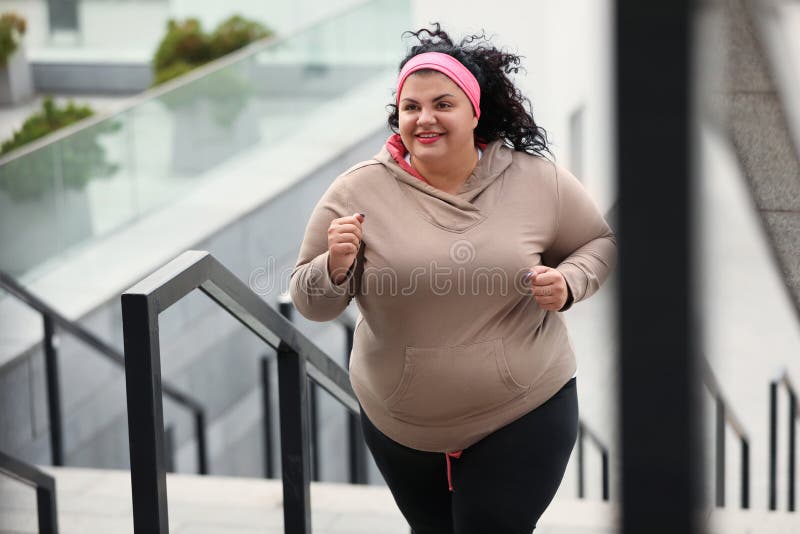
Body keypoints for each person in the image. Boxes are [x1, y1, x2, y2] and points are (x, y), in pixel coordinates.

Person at [289, 24, 616, 534]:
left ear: (474, 111)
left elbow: (598, 243)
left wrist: (569, 281)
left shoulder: (535, 180)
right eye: (411, 106)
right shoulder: (356, 192)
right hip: (402, 427)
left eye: (443, 104)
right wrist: (334, 266)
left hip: (524, 408)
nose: (425, 118)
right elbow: (311, 303)